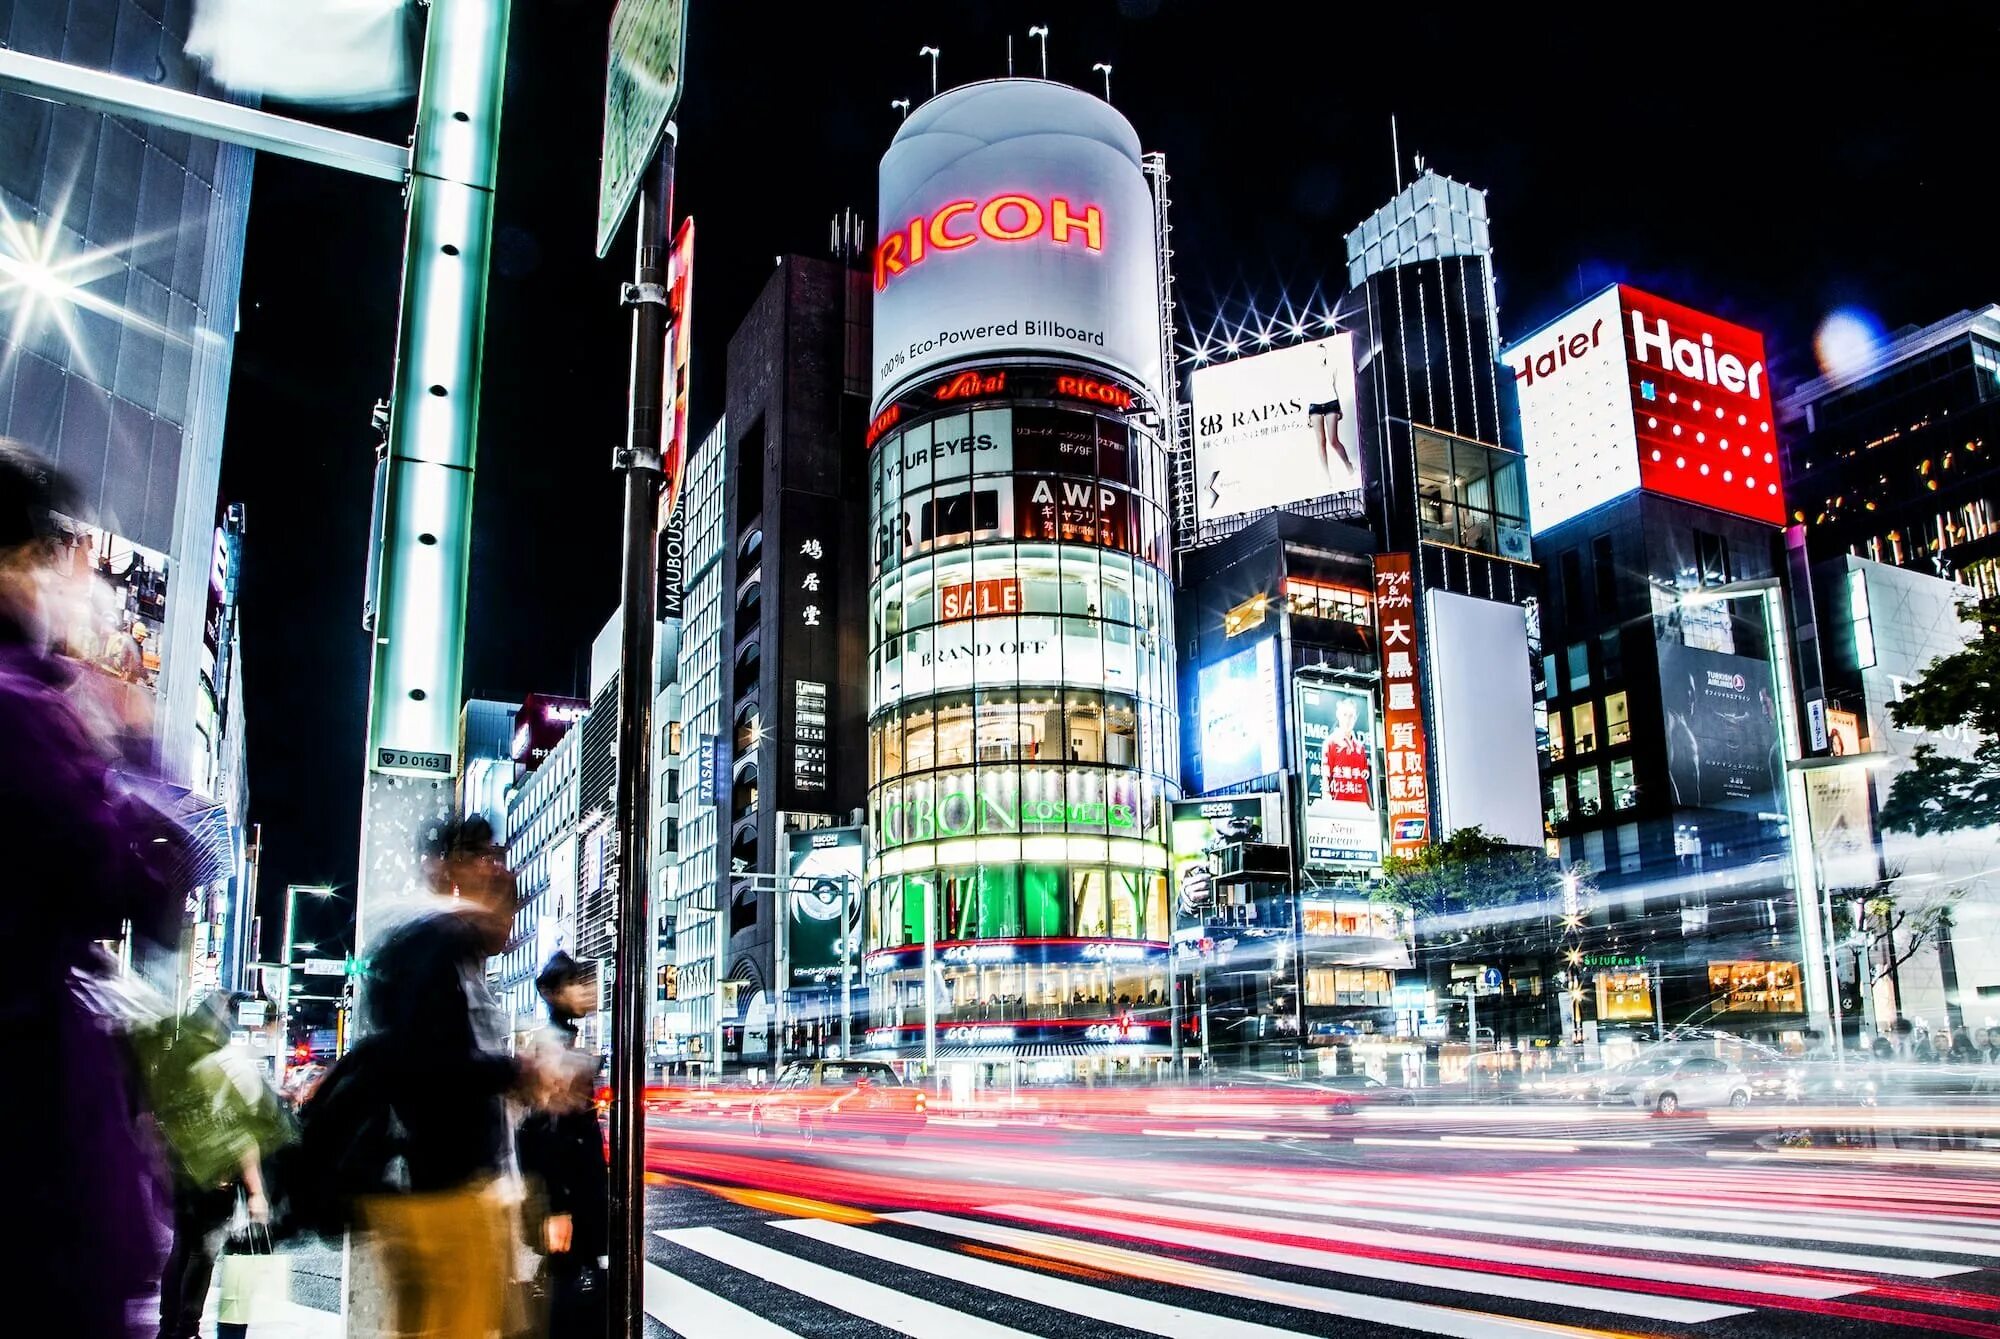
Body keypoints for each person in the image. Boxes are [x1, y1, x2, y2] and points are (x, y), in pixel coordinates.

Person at [0, 443, 188, 1337]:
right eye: (54, 557)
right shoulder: (24, 714)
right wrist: (137, 744)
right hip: (38, 1174)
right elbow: (146, 871)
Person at [356, 814, 539, 1339]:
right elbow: (430, 1068)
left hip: (451, 1190)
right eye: (488, 859)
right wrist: (514, 1071)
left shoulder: (446, 951)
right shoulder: (432, 948)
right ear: (452, 869)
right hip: (445, 1195)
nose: (499, 873)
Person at [156, 991, 287, 1339]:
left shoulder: (201, 1058)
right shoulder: (238, 1066)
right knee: (206, 1252)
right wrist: (257, 1190)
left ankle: (170, 1327)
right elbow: (241, 1135)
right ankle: (189, 1328)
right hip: (219, 1175)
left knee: (183, 1246)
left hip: (186, 1169)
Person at [518, 953, 609, 1339]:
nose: (587, 990)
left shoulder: (567, 1042)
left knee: (578, 1283)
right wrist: (558, 1207)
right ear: (553, 992)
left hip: (578, 1193)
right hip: (570, 1196)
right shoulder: (553, 1047)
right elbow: (548, 1130)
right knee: (569, 1292)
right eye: (576, 983)